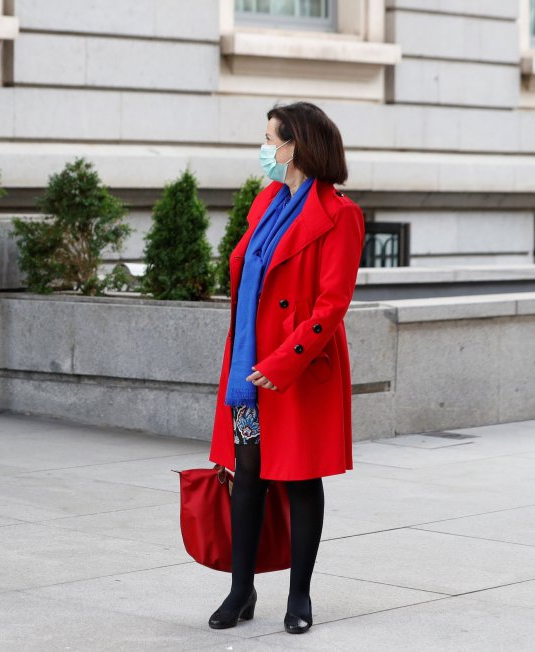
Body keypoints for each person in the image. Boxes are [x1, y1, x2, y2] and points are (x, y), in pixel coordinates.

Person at [207, 102, 364, 634]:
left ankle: (300, 596)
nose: (264, 147)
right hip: (251, 375)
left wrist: (285, 360)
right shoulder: (266, 202)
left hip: (297, 371)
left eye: (269, 138)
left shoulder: (341, 215)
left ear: (295, 145)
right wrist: (255, 360)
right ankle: (241, 589)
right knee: (246, 478)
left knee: (299, 481)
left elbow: (332, 305)